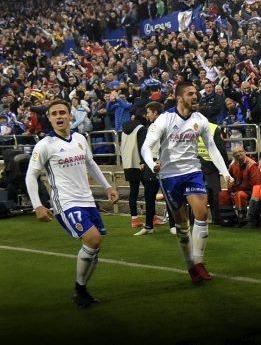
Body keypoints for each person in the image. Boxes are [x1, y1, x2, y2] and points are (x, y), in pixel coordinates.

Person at [25, 100, 120, 307]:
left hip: (87, 200)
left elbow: (90, 163)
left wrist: (108, 187)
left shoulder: (79, 138)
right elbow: (30, 176)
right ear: (49, 118)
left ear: (70, 116)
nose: (59, 116)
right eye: (54, 114)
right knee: (93, 240)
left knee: (95, 246)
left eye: (63, 112)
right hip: (65, 202)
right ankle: (80, 289)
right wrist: (38, 205)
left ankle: (81, 289)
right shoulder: (44, 145)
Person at [141, 82, 234, 284]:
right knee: (182, 227)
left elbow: (212, 148)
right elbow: (146, 147)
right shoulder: (164, 119)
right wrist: (152, 163)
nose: (195, 97)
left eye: (196, 93)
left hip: (192, 171)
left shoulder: (200, 119)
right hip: (169, 175)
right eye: (191, 94)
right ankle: (190, 265)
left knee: (201, 213)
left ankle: (199, 262)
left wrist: (225, 172)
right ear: (179, 97)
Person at [135, 101, 168, 236]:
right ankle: (149, 226)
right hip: (151, 164)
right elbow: (147, 147)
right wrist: (145, 161)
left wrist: (162, 159)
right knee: (149, 196)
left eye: (148, 112)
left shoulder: (166, 125)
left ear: (155, 112)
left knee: (169, 195)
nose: (147, 115)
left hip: (163, 164)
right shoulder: (151, 126)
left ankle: (175, 225)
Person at [196, 118, 229, 225]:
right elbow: (221, 149)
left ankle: (198, 218)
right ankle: (217, 218)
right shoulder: (214, 128)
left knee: (198, 192)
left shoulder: (192, 125)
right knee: (215, 193)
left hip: (196, 163)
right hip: (211, 164)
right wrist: (225, 166)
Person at [219, 146, 261, 227]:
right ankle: (229, 219)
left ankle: (242, 220)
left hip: (249, 192)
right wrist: (230, 184)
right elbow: (229, 178)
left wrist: (236, 187)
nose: (238, 154)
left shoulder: (252, 165)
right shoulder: (233, 165)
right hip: (236, 189)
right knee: (223, 194)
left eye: (240, 151)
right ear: (233, 156)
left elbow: (255, 184)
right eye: (235, 153)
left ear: (245, 152)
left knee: (240, 194)